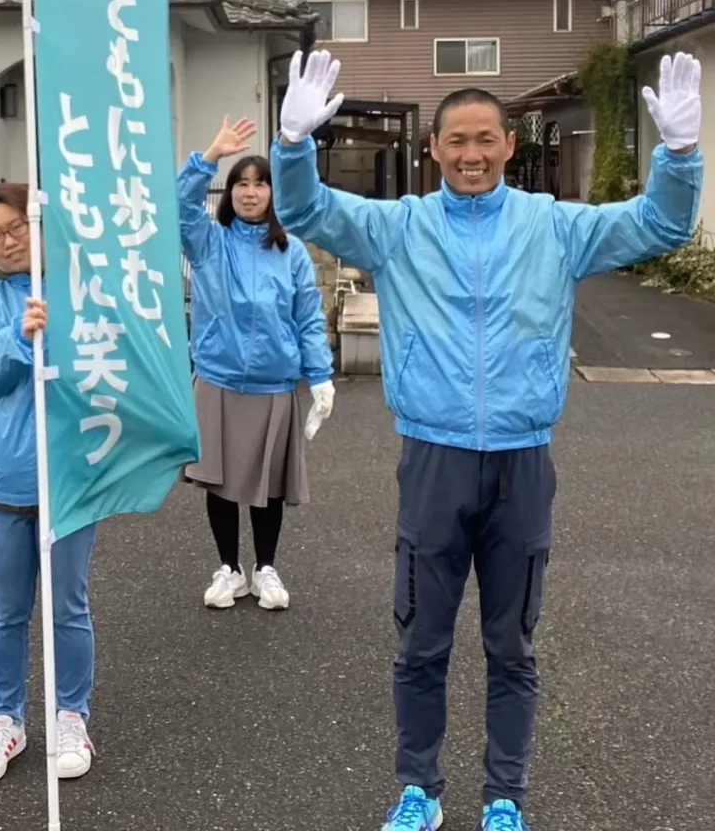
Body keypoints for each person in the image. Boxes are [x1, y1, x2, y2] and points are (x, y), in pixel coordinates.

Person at [270, 49, 703, 831]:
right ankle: (419, 792)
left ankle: (505, 798)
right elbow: (307, 213)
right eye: (456, 142)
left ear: (510, 144)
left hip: (522, 460)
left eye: (485, 140)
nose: (471, 155)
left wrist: (678, 155)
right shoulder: (399, 227)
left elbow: (660, 223)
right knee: (421, 643)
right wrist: (293, 147)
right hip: (432, 456)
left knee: (512, 646)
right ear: (431, 151)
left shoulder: (553, 225)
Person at [0, 183, 98, 786]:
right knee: (7, 613)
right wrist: (15, 339)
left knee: (69, 609)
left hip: (69, 478)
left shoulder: (75, 288)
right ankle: (6, 719)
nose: (7, 243)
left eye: (16, 228)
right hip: (2, 482)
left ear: (37, 225)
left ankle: (70, 714)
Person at [178, 116, 335, 611]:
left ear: (272, 193)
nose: (250, 193)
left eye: (260, 183)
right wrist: (210, 156)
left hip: (273, 383)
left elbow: (308, 317)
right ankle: (228, 569)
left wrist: (322, 377)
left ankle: (265, 568)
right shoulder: (208, 242)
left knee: (268, 486)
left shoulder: (290, 252)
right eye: (241, 184)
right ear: (229, 193)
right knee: (220, 484)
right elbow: (178, 208)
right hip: (218, 379)